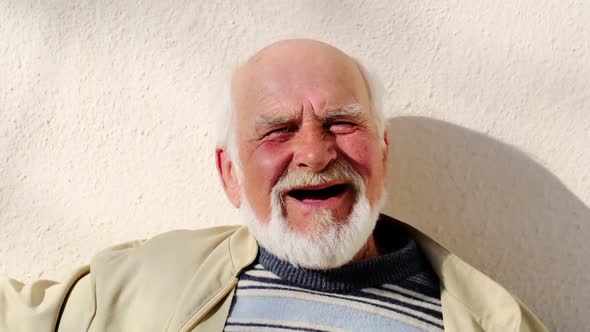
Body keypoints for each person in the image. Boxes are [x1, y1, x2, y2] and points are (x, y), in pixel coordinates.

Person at [0, 39, 546, 332]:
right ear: (230, 174)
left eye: (342, 122)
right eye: (278, 130)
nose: (313, 152)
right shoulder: (136, 284)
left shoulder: (490, 321)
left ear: (382, 151)